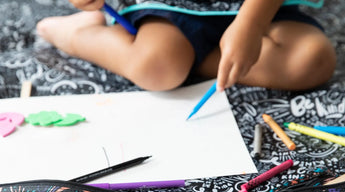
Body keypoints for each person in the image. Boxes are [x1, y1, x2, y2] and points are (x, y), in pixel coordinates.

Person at [36, 0, 336, 92]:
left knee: (312, 59)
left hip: (257, 7)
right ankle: (77, 33)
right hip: (171, 6)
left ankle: (199, 54)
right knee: (156, 68)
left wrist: (251, 26)